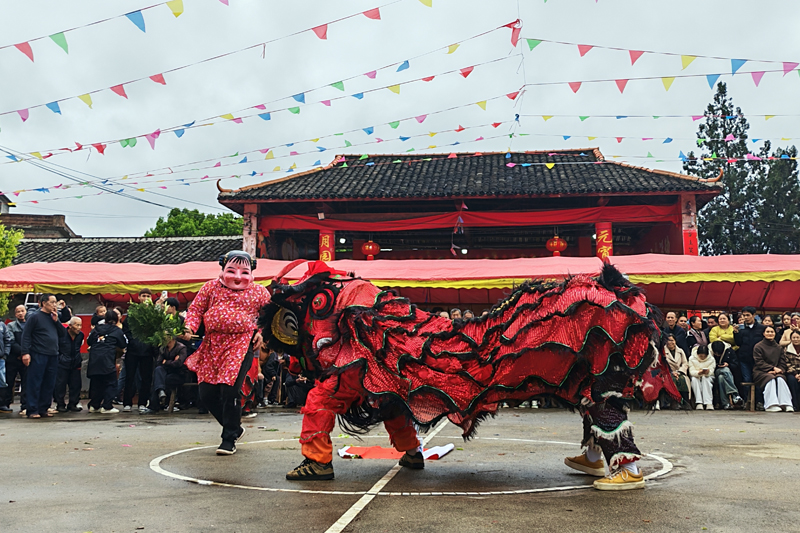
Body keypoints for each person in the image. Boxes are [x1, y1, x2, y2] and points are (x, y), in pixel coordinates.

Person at [184, 251, 269, 456]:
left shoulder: (260, 293)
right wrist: (189, 328)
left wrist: (261, 333)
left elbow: (269, 317)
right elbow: (195, 310)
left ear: (252, 273)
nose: (238, 277)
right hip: (212, 344)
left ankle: (228, 438)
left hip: (240, 343)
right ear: (222, 270)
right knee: (206, 393)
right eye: (231, 271)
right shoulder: (210, 288)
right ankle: (235, 427)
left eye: (244, 272)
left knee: (229, 390)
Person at [21, 294, 66, 419]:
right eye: (52, 302)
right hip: (38, 353)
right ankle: (32, 409)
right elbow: (26, 335)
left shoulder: (54, 317)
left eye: (55, 302)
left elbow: (63, 334)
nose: (54, 305)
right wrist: (25, 353)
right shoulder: (34, 317)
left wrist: (57, 321)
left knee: (49, 383)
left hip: (53, 354)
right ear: (44, 303)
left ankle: (44, 408)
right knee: (35, 382)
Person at [123, 289, 158, 413]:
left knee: (146, 378)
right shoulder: (132, 312)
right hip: (133, 350)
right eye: (143, 296)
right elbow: (126, 329)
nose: (146, 298)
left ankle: (143, 402)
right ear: (139, 297)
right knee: (130, 377)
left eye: (148, 296)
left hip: (148, 351)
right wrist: (133, 342)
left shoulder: (154, 313)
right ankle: (127, 402)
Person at [86, 311, 127, 414]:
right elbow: (123, 343)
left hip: (94, 360)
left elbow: (89, 341)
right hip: (107, 360)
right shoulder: (117, 331)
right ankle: (107, 406)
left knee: (96, 384)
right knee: (111, 383)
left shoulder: (96, 329)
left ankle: (94, 405)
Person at [753, 326, 793, 412]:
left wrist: (779, 370)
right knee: (770, 379)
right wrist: (771, 368)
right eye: (768, 332)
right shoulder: (758, 346)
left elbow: (782, 362)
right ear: (763, 333)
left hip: (777, 371)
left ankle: (786, 403)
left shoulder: (778, 347)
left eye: (772, 332)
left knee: (780, 379)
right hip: (760, 372)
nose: (770, 333)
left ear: (775, 333)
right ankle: (771, 404)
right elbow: (759, 362)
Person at [143, 335, 188, 413]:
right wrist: (172, 361)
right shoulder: (163, 348)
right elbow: (159, 362)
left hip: (178, 373)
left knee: (160, 380)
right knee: (158, 371)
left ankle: (154, 405)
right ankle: (161, 392)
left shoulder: (181, 348)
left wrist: (166, 362)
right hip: (166, 371)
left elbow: (178, 364)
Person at [2, 305, 28, 413]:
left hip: (27, 358)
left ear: (26, 311)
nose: (20, 313)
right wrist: (23, 353)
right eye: (18, 312)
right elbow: (11, 341)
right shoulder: (11, 326)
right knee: (9, 381)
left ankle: (25, 405)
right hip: (13, 358)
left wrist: (27, 353)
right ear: (15, 314)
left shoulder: (30, 325)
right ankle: (5, 404)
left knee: (26, 382)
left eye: (22, 311)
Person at [737, 306, 765, 407]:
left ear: (754, 315)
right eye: (744, 315)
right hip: (744, 358)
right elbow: (738, 343)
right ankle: (747, 401)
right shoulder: (741, 329)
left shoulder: (762, 328)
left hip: (758, 359)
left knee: (758, 380)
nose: (746, 317)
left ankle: (759, 402)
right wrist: (736, 333)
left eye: (748, 315)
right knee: (746, 379)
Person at [54, 317, 84, 412]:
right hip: (62, 363)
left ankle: (73, 404)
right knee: (60, 385)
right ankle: (60, 404)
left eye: (80, 325)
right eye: (77, 325)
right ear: (70, 326)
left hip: (75, 363)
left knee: (76, 385)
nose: (79, 327)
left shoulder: (80, 335)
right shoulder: (62, 334)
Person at [710, 341, 743, 410]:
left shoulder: (729, 351)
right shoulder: (708, 352)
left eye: (720, 354)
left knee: (721, 378)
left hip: (727, 375)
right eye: (716, 353)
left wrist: (729, 364)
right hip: (712, 372)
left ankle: (725, 403)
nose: (718, 355)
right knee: (725, 370)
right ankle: (735, 394)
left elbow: (736, 364)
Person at [663, 334, 690, 407]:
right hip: (668, 372)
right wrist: (672, 372)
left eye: (672, 340)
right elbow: (662, 364)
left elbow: (685, 363)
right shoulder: (663, 351)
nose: (670, 342)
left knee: (682, 380)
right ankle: (674, 401)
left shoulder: (680, 351)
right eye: (668, 340)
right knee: (672, 379)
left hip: (679, 372)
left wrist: (679, 372)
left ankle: (685, 401)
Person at [688, 345, 716, 410]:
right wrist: (698, 373)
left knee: (705, 379)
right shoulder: (691, 358)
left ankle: (708, 402)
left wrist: (707, 372)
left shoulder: (711, 359)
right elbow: (691, 371)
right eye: (701, 356)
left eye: (704, 356)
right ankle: (699, 402)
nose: (702, 358)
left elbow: (712, 370)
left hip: (707, 376)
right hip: (696, 375)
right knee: (694, 380)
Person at [782, 330, 800, 411]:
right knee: (792, 380)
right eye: (794, 338)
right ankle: (795, 404)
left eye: (797, 337)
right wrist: (795, 374)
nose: (796, 339)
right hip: (792, 372)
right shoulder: (786, 350)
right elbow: (787, 364)